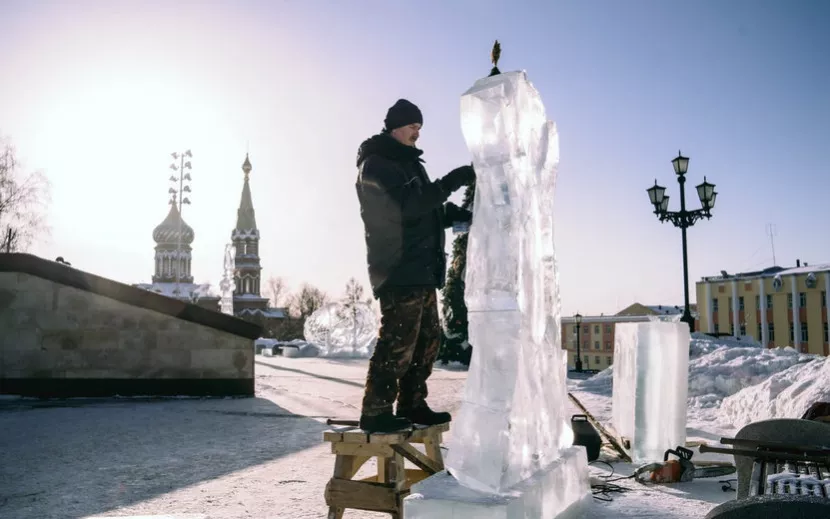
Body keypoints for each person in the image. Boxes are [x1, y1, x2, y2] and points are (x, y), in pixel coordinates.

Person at [355, 99, 475, 433]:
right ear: (394, 125)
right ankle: (375, 410)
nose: (416, 134)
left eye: (420, 128)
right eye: (412, 127)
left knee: (427, 342)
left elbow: (429, 210)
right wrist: (450, 181)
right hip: (398, 268)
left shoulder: (410, 165)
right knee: (399, 342)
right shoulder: (377, 165)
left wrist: (464, 216)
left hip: (422, 271)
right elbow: (407, 209)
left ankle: (412, 403)